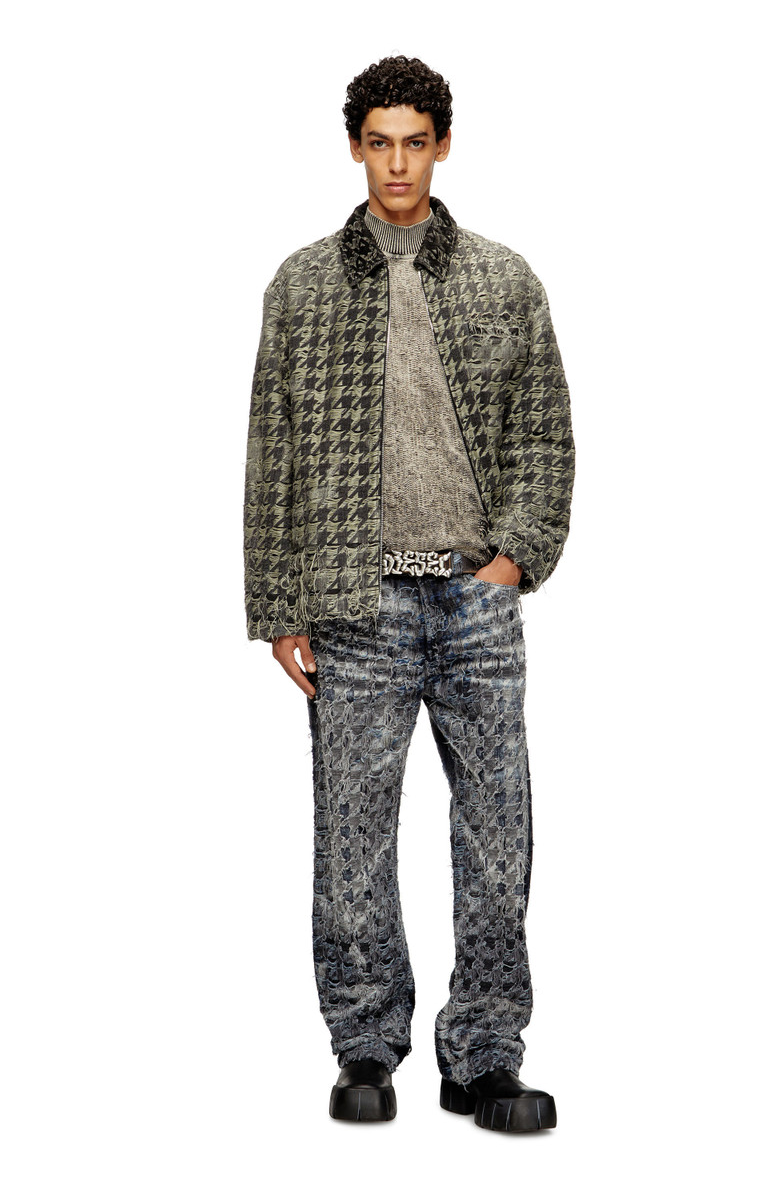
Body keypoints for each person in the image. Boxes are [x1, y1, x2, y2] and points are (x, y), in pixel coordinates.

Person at [243, 55, 575, 1132]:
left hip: (474, 601)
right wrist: (278, 606)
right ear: (354, 147)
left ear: (442, 145)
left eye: (414, 142)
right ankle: (363, 1046)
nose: (396, 163)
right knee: (350, 842)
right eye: (378, 143)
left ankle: (484, 1056)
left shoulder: (503, 279)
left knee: (497, 838)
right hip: (353, 601)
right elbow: (273, 449)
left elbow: (544, 433)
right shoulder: (302, 284)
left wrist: (512, 560)